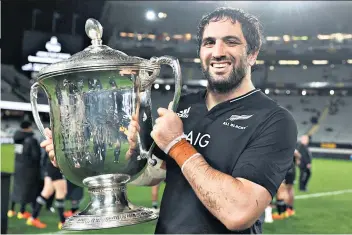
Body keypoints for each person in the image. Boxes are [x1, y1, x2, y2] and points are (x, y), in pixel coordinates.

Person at [42, 7, 298, 234]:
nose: (217, 52)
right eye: (209, 42)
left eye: (230, 42)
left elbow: (238, 213)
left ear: (252, 53)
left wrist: (177, 144)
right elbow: (151, 174)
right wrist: (78, 156)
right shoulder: (184, 105)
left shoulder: (274, 120)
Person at [8, 121, 42, 220]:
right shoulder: (31, 139)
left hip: (17, 165)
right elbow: (36, 156)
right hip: (29, 168)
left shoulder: (17, 137)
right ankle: (21, 212)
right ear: (29, 127)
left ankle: (11, 210)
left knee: (16, 187)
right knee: (26, 189)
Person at [26, 149, 67, 229]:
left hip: (50, 167)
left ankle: (32, 218)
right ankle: (63, 222)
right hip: (56, 167)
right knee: (61, 193)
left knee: (46, 192)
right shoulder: (56, 141)